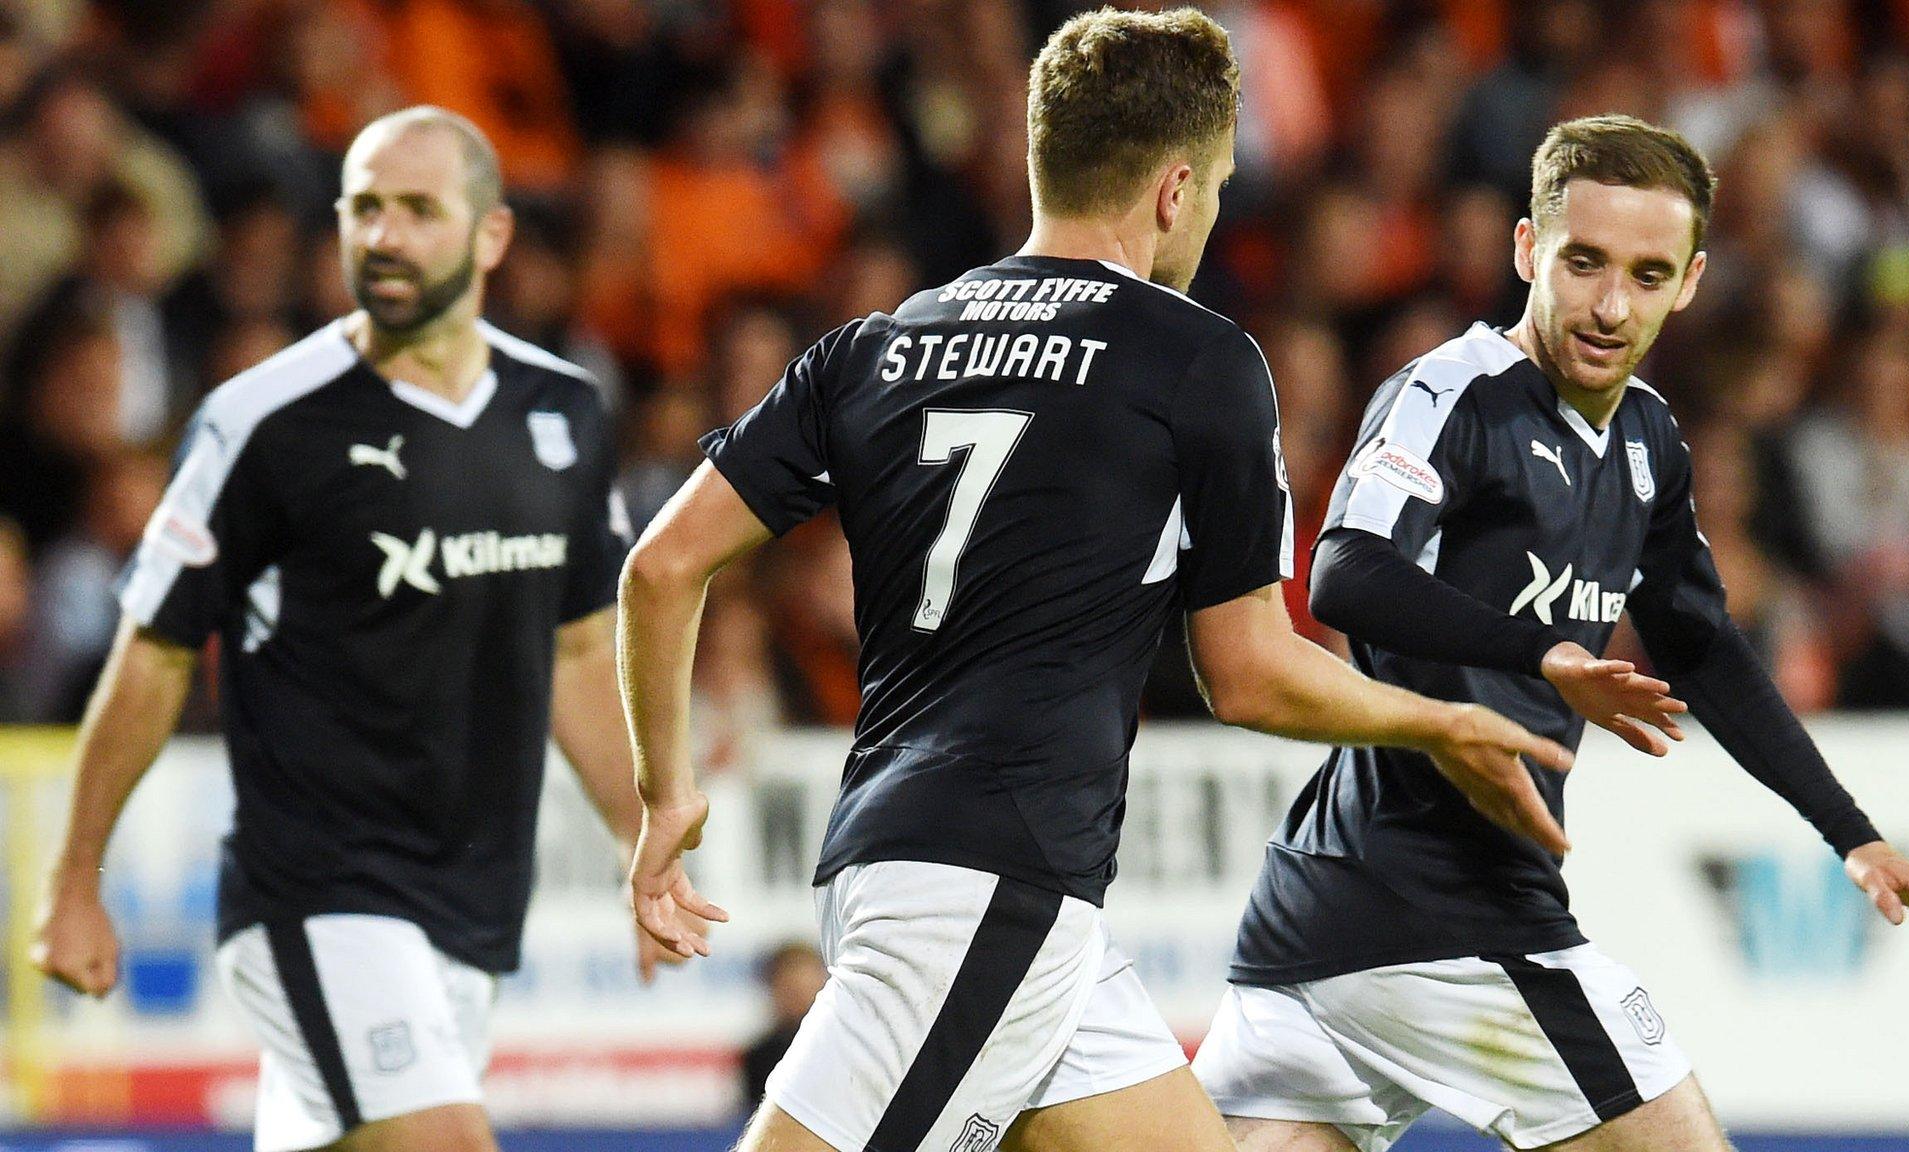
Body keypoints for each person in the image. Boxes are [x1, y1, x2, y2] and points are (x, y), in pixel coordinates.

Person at [619, 10, 1574, 1152]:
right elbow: (1252, 677)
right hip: (988, 883)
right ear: (1174, 189)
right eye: (1216, 185)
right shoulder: (1195, 359)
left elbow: (661, 566)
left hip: (944, 870)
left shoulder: (877, 345)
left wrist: (662, 797)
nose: (1213, 213)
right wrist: (1440, 725)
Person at [1192, 115, 1909, 1152]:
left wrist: (1848, 832)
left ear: (1686, 284)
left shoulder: (1645, 439)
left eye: (1645, 276)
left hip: (1319, 931)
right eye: (1582, 262)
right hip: (1449, 913)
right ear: (1524, 251)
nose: (1608, 305)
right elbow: (1344, 573)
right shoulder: (1451, 395)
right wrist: (1537, 653)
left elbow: (1699, 644)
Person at [29, 106, 665, 1152]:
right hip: (315, 893)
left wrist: (642, 840)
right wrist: (74, 881)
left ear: (490, 235)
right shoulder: (264, 419)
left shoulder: (563, 415)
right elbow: (154, 650)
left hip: (472, 906)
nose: (385, 236)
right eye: (364, 209)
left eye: (419, 210)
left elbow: (581, 652)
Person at [741, 942, 831, 1111]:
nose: (799, 997)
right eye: (790, 989)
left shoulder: (843, 1045)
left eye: (805, 988)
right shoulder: (760, 1055)